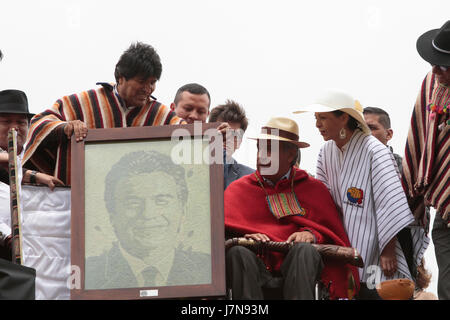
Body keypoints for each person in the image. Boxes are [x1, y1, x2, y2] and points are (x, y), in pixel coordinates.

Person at [294, 89, 422, 299]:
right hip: (340, 244)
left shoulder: (374, 150)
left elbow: (388, 200)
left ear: (344, 117)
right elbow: (323, 200)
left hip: (376, 247)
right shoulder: (325, 152)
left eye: (323, 118)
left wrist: (387, 250)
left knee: (373, 291)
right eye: (316, 118)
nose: (317, 124)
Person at [224, 117, 360, 300]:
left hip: (300, 272)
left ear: (291, 155)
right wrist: (241, 239)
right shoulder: (238, 189)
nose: (260, 156)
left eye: (269, 150)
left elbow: (331, 232)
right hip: (256, 268)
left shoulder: (313, 188)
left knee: (305, 251)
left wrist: (311, 234)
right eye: (260, 149)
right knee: (238, 252)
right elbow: (220, 236)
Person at [23, 42, 185, 185]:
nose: (148, 88)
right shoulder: (82, 103)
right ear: (121, 78)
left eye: (153, 82)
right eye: (142, 81)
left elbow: (188, 135)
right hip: (78, 202)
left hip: (137, 209)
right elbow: (39, 122)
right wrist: (65, 127)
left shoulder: (159, 114)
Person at [85, 150, 210, 289]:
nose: (148, 214)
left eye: (161, 201)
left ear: (183, 210)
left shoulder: (209, 269)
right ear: (112, 214)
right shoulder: (87, 274)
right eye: (133, 203)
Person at [363, 106, 434, 299]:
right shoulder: (353, 169)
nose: (367, 134)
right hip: (362, 255)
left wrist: (389, 248)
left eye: (372, 128)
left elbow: (416, 217)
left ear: (389, 134)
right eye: (362, 129)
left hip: (398, 252)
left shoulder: (405, 170)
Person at [403, 20, 450, 300]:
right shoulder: (432, 83)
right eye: (433, 62)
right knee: (447, 287)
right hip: (446, 210)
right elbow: (421, 137)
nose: (434, 69)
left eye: (444, 64)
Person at [0, 89, 64, 260]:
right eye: (6, 121)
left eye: (21, 122)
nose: (14, 128)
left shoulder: (40, 158)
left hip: (40, 256)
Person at [208, 100, 254, 189]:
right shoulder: (189, 170)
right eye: (221, 132)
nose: (227, 139)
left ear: (239, 142)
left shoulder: (250, 178)